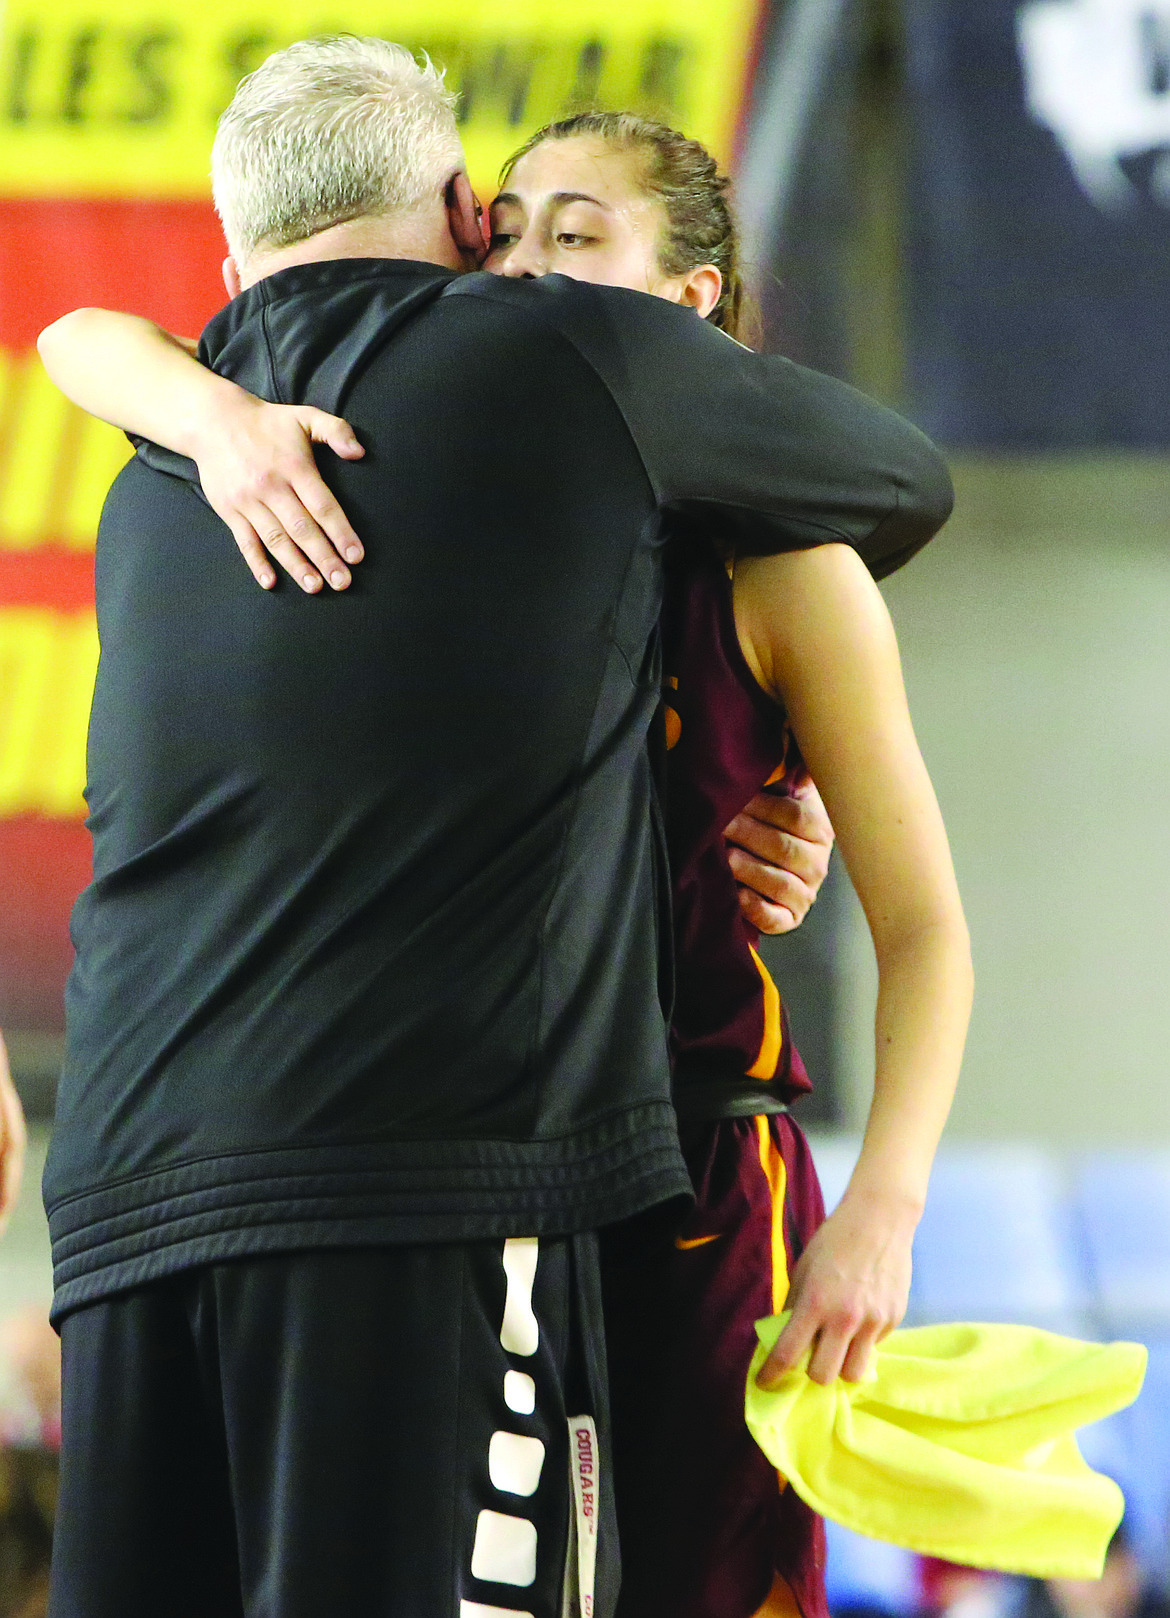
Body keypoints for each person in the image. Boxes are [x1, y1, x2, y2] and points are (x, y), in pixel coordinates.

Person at [34, 36, 956, 1618]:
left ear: (693, 306)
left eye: (571, 237)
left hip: (159, 1179)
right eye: (510, 228)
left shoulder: (172, 468)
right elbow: (908, 474)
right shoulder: (531, 380)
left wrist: (194, 401)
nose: (524, 263)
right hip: (462, 1180)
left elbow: (76, 334)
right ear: (461, 214)